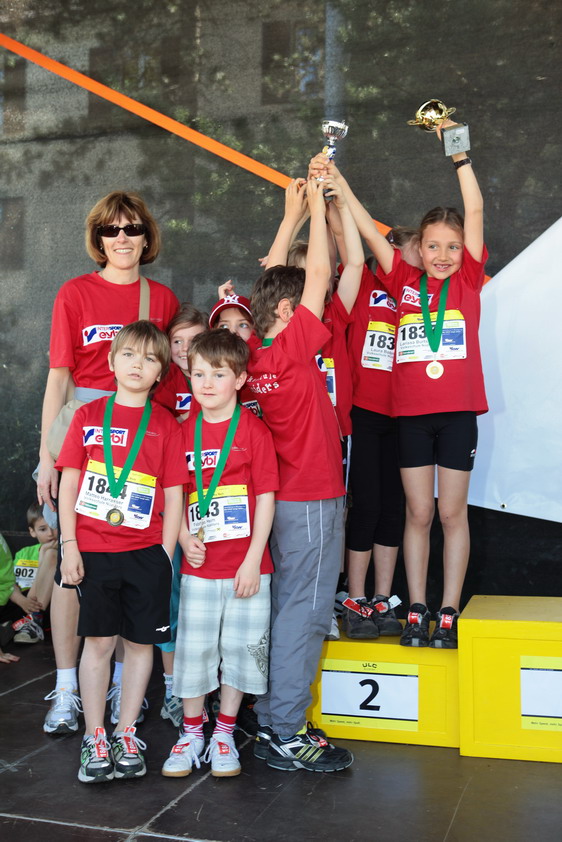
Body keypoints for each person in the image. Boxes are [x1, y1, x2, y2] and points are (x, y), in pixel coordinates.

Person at [330, 124, 486, 648]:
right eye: (434, 246)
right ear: (420, 246)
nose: (443, 255)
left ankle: (448, 610)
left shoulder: (467, 281)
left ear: (465, 251)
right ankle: (417, 607)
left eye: (453, 247)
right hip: (411, 418)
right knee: (418, 513)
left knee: (451, 513)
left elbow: (475, 209)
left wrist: (459, 154)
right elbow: (368, 231)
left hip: (458, 415)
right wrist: (338, 182)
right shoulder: (403, 281)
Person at [37, 190, 179, 736]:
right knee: (72, 567)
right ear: (98, 239)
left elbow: (172, 375)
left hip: (139, 440)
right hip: (83, 430)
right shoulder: (74, 293)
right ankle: (66, 686)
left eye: (132, 228)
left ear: (146, 238)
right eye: (111, 230)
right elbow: (58, 377)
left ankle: (122, 686)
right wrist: (47, 454)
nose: (122, 238)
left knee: (129, 559)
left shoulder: (160, 298)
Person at [246, 176, 353, 773]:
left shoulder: (254, 357)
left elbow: (276, 283)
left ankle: (271, 719)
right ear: (289, 314)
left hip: (285, 503)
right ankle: (287, 730)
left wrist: (291, 218)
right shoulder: (290, 351)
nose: (322, 300)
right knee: (304, 613)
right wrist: (315, 203)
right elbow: (313, 276)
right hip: (310, 501)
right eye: (310, 303)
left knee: (286, 607)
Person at [56, 320, 187, 783]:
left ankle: (125, 731)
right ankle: (95, 734)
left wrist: (165, 555)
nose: (137, 364)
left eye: (150, 359)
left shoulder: (165, 424)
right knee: (98, 642)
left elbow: (175, 493)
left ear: (160, 373)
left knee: (139, 644)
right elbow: (69, 482)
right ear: (112, 361)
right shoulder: (88, 417)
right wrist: (69, 545)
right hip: (93, 549)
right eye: (129, 354)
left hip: (146, 552)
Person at [161, 329, 277, 778]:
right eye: (198, 374)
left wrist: (252, 560)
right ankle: (192, 731)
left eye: (218, 374)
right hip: (200, 567)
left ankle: (224, 731)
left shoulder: (254, 431)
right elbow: (174, 495)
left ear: (241, 379)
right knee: (194, 650)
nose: (206, 383)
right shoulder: (180, 432)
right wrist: (182, 537)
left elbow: (265, 498)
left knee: (242, 651)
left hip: (248, 569)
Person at [10, 502, 58, 643]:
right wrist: (21, 600)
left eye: (54, 527)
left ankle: (34, 620)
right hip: (22, 604)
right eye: (43, 529)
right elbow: (9, 583)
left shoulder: (65, 553)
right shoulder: (24, 553)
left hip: (48, 608)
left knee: (51, 554)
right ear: (32, 531)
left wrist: (44, 555)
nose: (50, 534)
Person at [152, 303, 207, 422]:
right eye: (177, 341)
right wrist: (197, 412)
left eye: (193, 341)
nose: (185, 348)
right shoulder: (169, 376)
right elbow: (161, 424)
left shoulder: (219, 374)